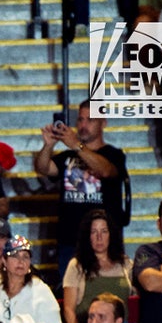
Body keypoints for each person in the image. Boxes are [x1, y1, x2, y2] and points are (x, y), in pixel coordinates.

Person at [34, 99, 128, 275]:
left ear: (103, 123)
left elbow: (106, 171)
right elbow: (43, 168)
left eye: (90, 119)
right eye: (80, 119)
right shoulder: (68, 155)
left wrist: (77, 145)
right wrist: (48, 146)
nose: (83, 125)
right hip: (71, 240)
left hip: (104, 242)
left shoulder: (114, 154)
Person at [61, 209, 133, 323]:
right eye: (94, 232)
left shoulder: (125, 264)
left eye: (104, 231)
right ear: (87, 236)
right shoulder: (76, 265)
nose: (99, 237)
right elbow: (68, 309)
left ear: (111, 234)